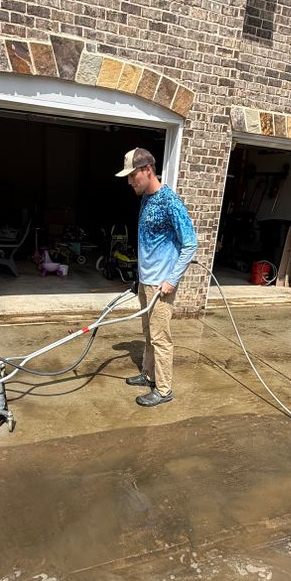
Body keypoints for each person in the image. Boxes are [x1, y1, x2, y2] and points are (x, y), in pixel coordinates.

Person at [115, 147, 198, 407]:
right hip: (146, 281)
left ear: (147, 170)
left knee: (161, 338)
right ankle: (148, 374)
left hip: (162, 285)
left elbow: (190, 244)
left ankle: (163, 390)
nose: (129, 182)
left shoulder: (170, 201)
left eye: (132, 176)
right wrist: (139, 277)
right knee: (148, 333)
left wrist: (172, 280)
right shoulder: (146, 199)